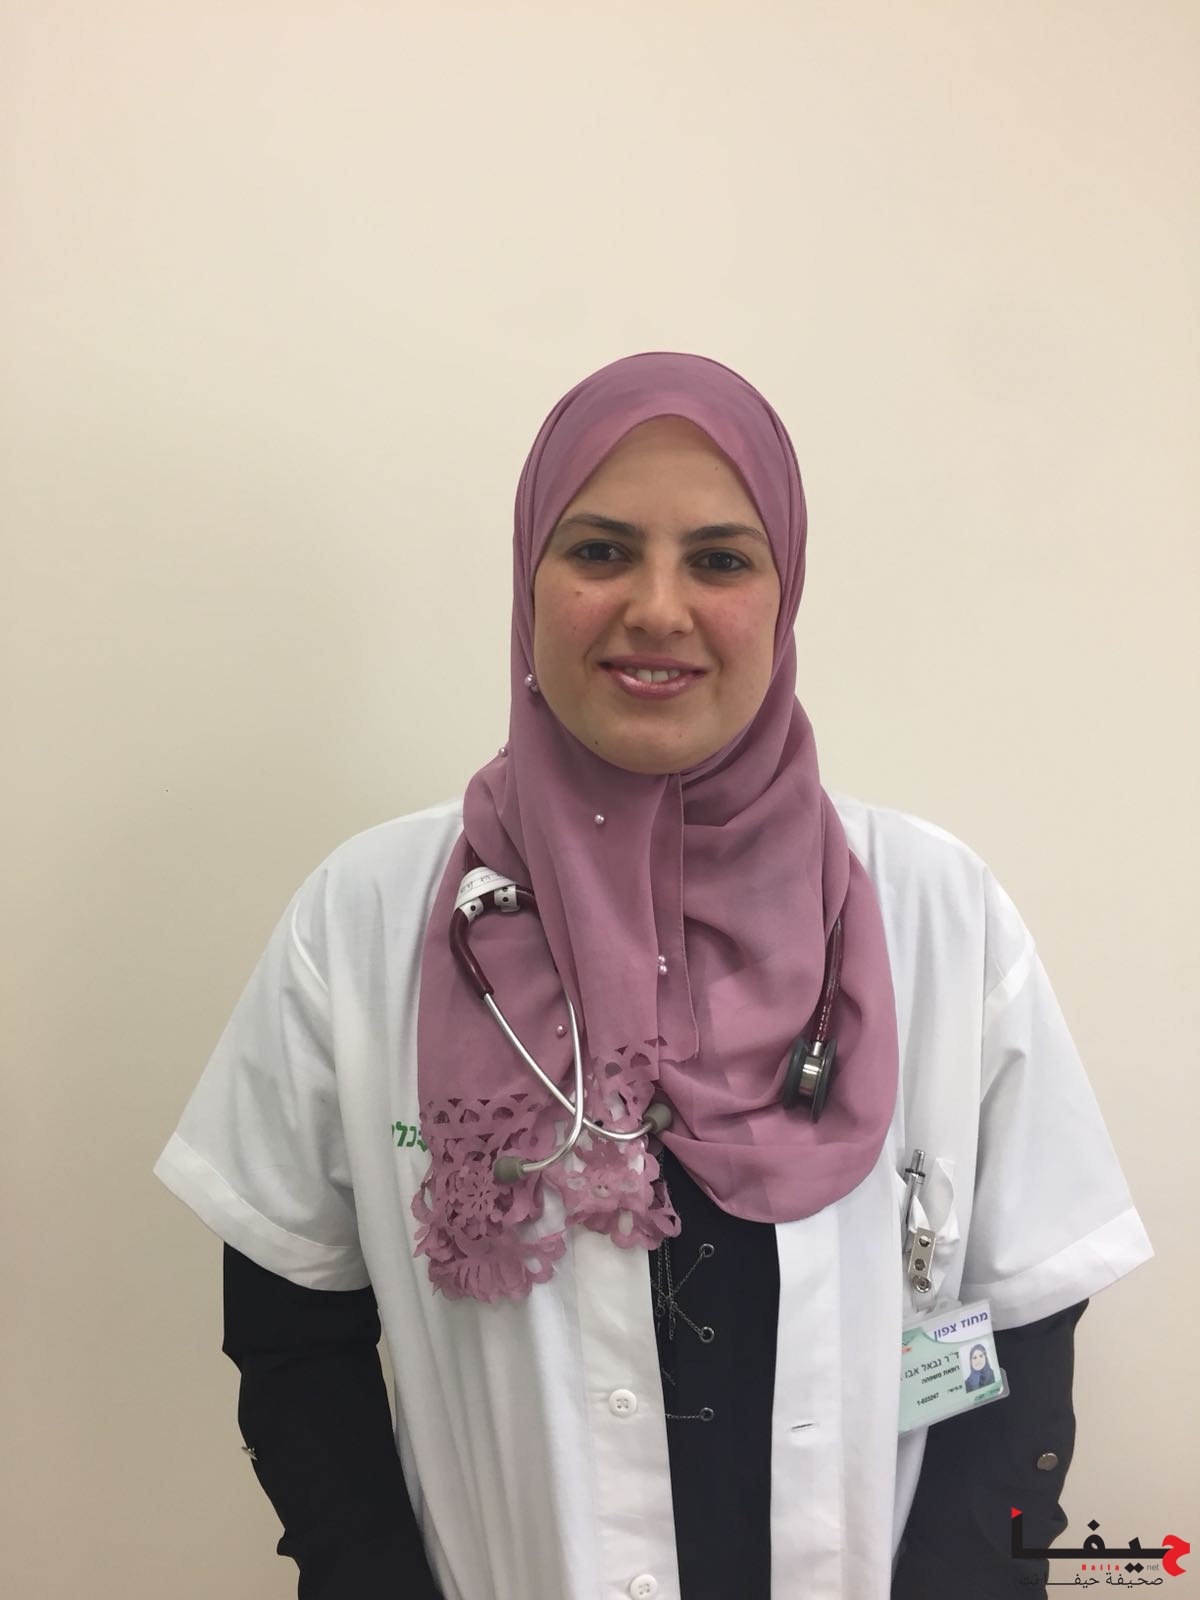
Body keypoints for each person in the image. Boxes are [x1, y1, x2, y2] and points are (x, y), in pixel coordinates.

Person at [154, 352, 1152, 1600]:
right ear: (529, 577)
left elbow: (1020, 1322)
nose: (658, 609)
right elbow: (295, 1328)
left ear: (785, 594)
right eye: (601, 551)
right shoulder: (365, 918)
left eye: (721, 560)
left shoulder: (939, 913)